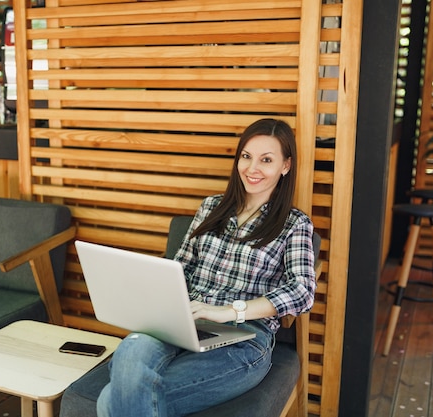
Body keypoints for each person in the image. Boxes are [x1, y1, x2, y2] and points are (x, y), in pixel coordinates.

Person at [96, 118, 317, 417]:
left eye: (266, 160)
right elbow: (181, 267)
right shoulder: (211, 207)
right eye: (246, 156)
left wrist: (230, 311)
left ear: (285, 166)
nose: (252, 169)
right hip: (181, 321)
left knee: (111, 401)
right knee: (130, 353)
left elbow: (303, 292)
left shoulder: (294, 224)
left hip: (244, 337)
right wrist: (149, 293)